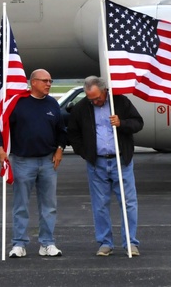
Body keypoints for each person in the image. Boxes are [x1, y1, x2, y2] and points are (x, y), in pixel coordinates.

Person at [67, 76, 145, 257]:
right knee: (100, 204)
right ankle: (105, 243)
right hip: (97, 163)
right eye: (90, 99)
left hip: (121, 161)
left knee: (128, 203)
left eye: (97, 98)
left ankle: (130, 243)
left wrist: (122, 123)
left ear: (104, 91)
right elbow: (73, 133)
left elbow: (138, 123)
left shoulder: (121, 102)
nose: (94, 101)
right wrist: (85, 153)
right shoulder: (81, 109)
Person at [0, 69, 67, 258]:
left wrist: (60, 148)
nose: (49, 84)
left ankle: (47, 243)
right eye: (45, 81)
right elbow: (1, 126)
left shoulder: (52, 104)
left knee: (49, 205)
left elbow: (61, 130)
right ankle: (19, 244)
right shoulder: (18, 103)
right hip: (22, 161)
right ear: (33, 82)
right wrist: (0, 148)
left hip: (48, 161)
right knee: (21, 205)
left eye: (50, 80)